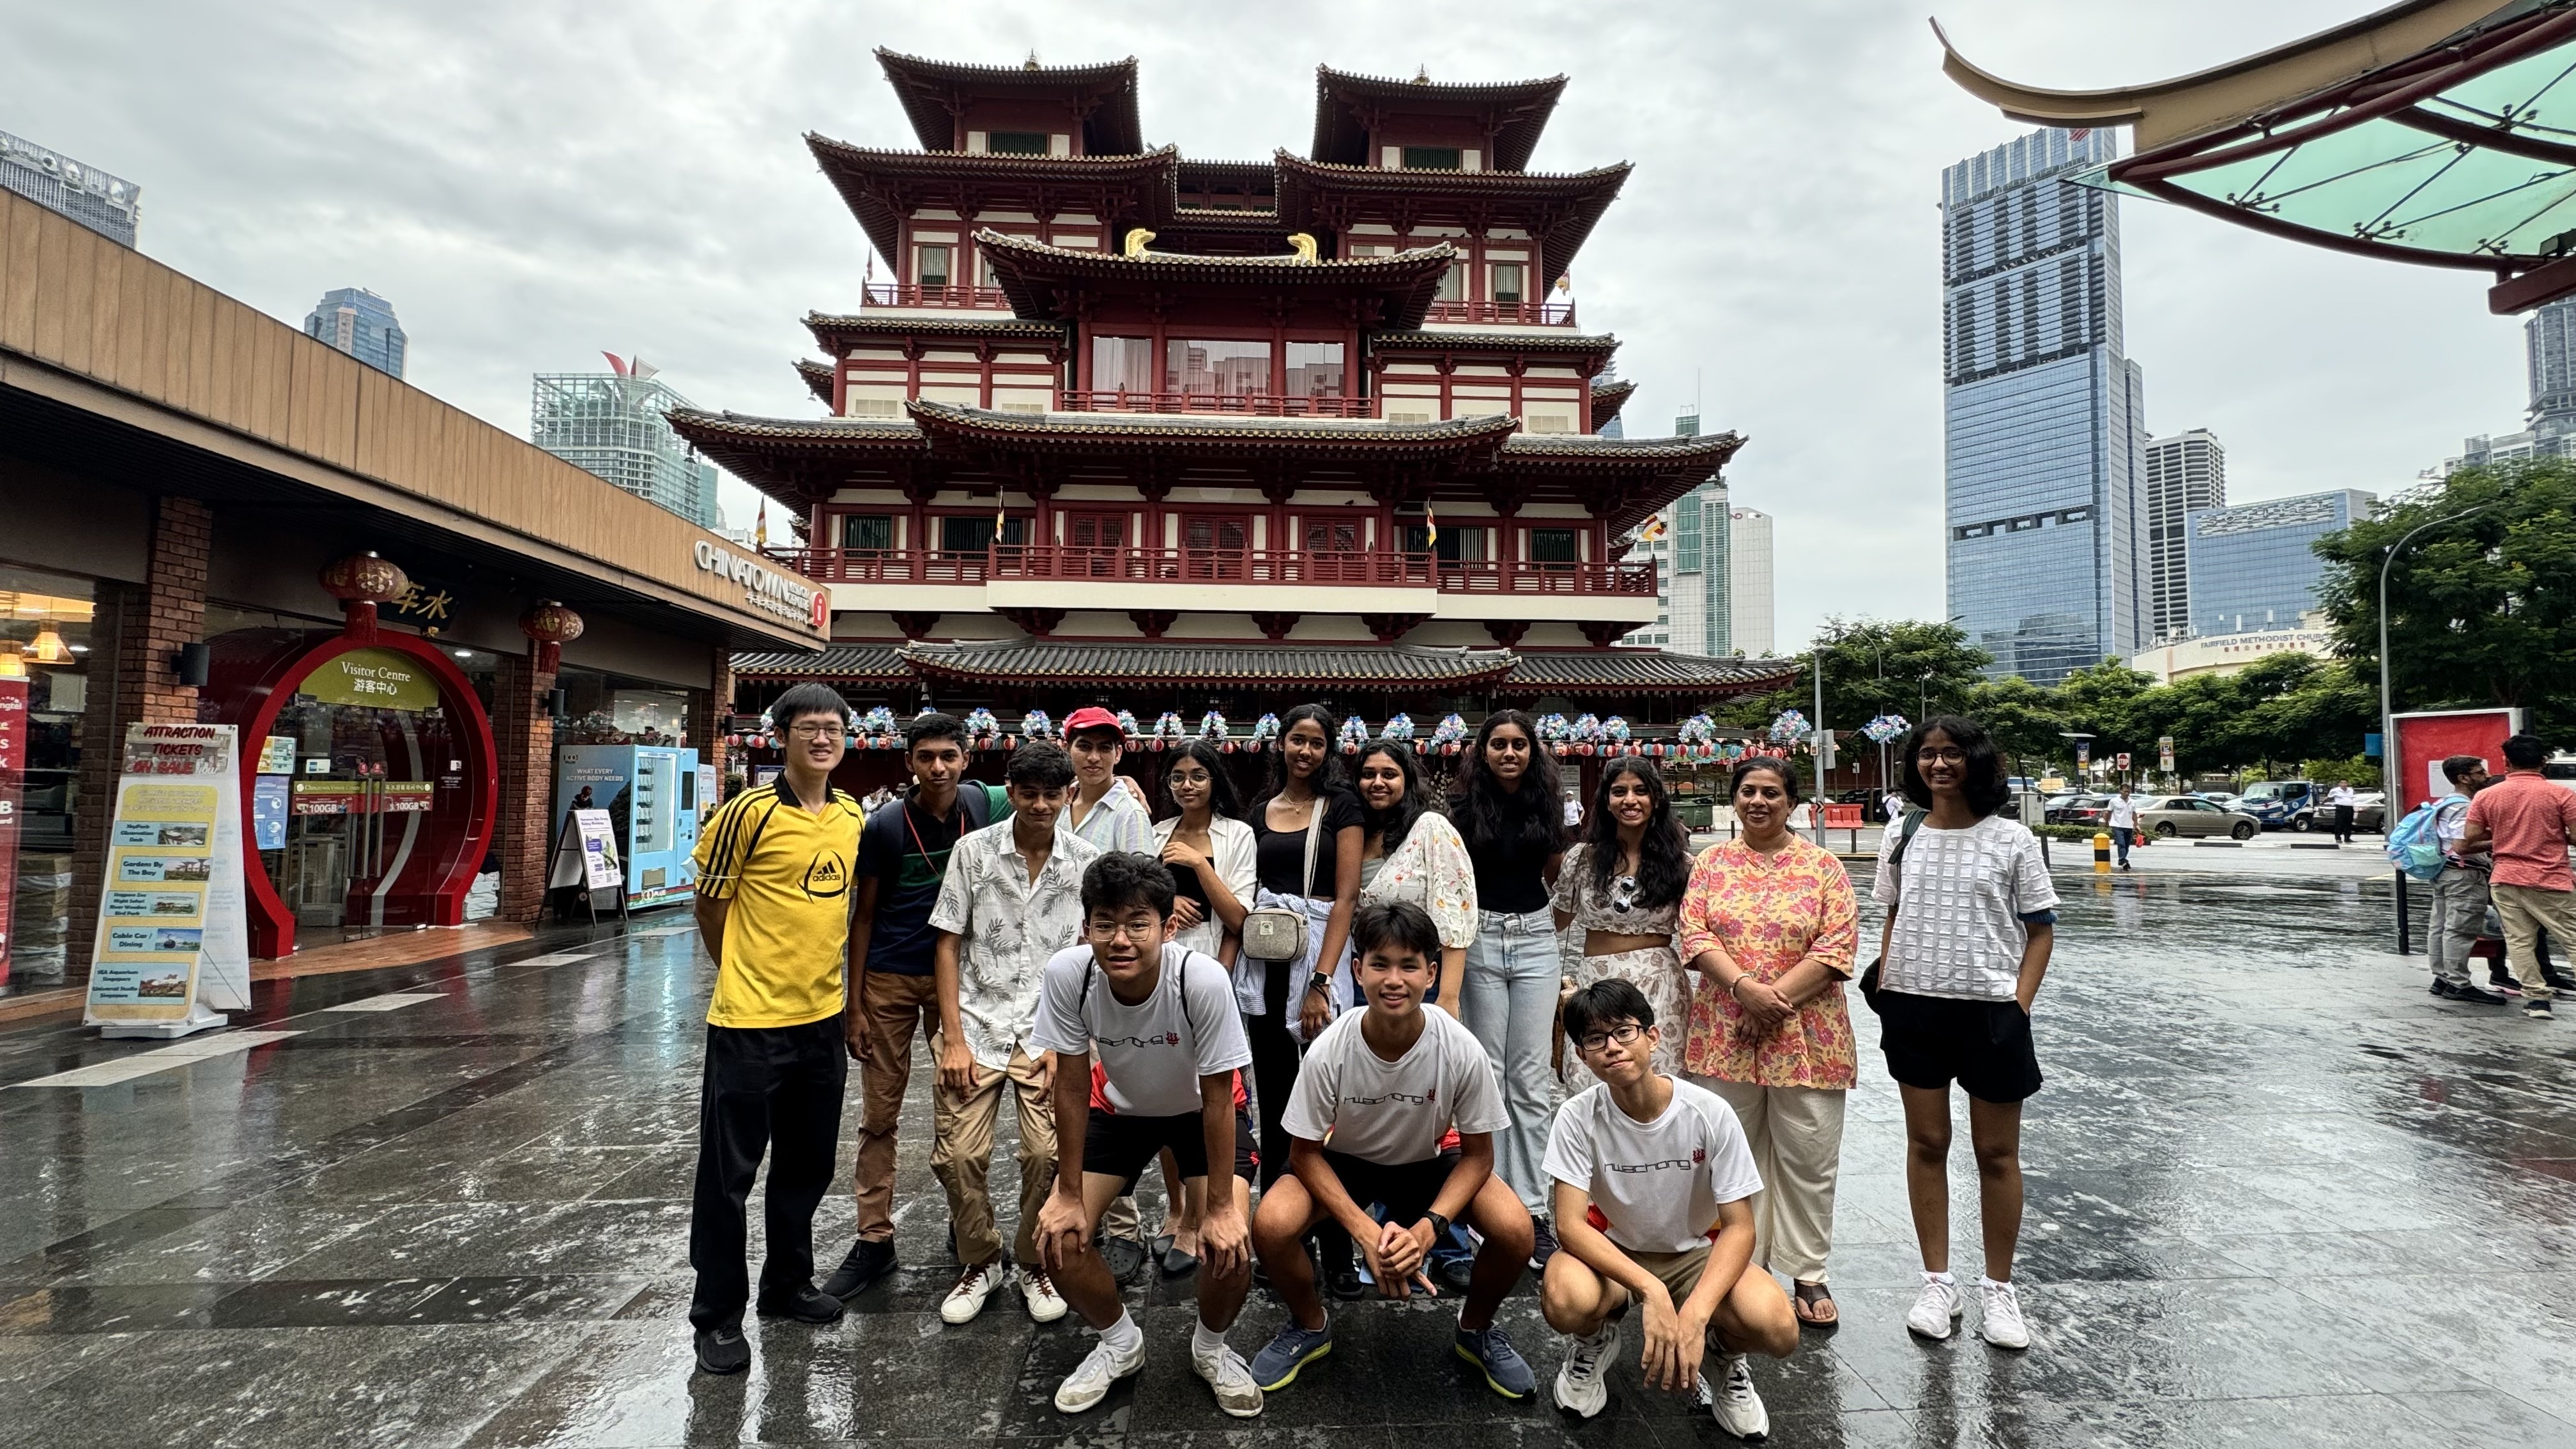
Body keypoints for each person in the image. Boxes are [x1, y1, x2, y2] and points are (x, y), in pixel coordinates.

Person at [1248, 901, 1539, 1400]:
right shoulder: (1331, 1048)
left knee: (1516, 1231)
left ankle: (1476, 1330)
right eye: (1380, 964)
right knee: (1271, 1225)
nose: (1394, 980)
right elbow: (1304, 1154)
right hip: (1347, 1161)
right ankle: (1310, 1325)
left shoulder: (1460, 1047)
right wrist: (1365, 1233)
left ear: (1432, 974)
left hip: (1428, 1162)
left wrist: (1428, 1231)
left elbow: (1479, 1157)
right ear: (1357, 971)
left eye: (1409, 966)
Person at [1029, 853, 1264, 1417]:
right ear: (1086, 927)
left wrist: (1220, 1210)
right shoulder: (1069, 973)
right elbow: (1070, 1086)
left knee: (1231, 1245)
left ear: (1168, 927)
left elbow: (1218, 1096)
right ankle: (1119, 1343)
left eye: (1138, 924)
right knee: (1058, 1240)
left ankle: (1211, 1348)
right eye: (1105, 924)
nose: (1120, 940)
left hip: (1199, 1111)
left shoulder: (1199, 979)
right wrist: (1066, 1194)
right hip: (1121, 1110)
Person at [684, 683, 864, 1376]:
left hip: (822, 1020)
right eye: (809, 728)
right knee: (728, 1175)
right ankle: (717, 1315)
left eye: (833, 729)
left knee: (807, 1165)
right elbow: (710, 906)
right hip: (750, 1024)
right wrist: (742, 975)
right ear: (781, 736)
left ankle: (787, 1283)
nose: (822, 739)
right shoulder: (747, 813)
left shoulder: (850, 814)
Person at [1872, 716, 2057, 1351]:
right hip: (1915, 1009)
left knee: (1996, 1154)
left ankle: (1999, 1289)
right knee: (1927, 1143)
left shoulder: (2012, 838)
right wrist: (1888, 986)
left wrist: (2018, 1006)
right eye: (1928, 753)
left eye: (1952, 753)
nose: (1939, 764)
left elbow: (2040, 930)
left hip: (1991, 1013)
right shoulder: (1902, 832)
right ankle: (1937, 1283)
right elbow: (1893, 913)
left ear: (1975, 760)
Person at [1542, 979, 1798, 1438]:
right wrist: (1651, 1291)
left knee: (1777, 1327)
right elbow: (1570, 1225)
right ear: (1582, 1056)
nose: (1613, 1047)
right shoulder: (1577, 1117)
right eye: (1596, 1039)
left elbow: (1740, 1227)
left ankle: (1722, 1355)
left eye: (1624, 1032)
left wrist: (1696, 1315)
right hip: (1615, 1252)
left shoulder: (1709, 1113)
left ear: (1653, 1037)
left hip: (1694, 1254)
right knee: (1565, 1298)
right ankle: (1593, 1341)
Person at [825, 712, 1009, 1303]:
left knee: (959, 1109)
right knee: (880, 1113)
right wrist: (854, 1005)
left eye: (948, 756)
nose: (937, 767)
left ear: (966, 760)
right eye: (926, 757)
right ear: (909, 762)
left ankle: (967, 1226)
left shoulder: (981, 804)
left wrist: (1120, 785)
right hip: (891, 977)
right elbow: (863, 917)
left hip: (958, 979)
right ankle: (874, 1237)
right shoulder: (884, 826)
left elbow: (1049, 790)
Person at [1681, 756, 1861, 1332]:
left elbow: (1837, 947)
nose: (1758, 802)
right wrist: (1744, 989)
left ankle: (1808, 1269)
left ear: (1792, 803)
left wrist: (1769, 1003)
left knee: (1809, 1154)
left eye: (1771, 793)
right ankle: (1742, 1266)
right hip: (1725, 1029)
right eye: (1748, 792)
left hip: (1808, 1035)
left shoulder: (1824, 867)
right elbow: (1694, 935)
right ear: (1735, 799)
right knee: (1732, 1157)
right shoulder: (1711, 864)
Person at [924, 741, 1098, 1326]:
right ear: (1012, 792)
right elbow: (948, 943)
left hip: (1049, 1031)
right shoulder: (973, 852)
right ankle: (980, 1260)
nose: (1041, 805)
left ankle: (1032, 1260)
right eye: (1030, 794)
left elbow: (1090, 959)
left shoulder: (1086, 862)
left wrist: (1069, 1044)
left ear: (1068, 794)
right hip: (976, 1023)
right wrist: (952, 1038)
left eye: (1052, 794)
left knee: (1048, 1154)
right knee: (958, 1156)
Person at [1450, 708, 1567, 1264]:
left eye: (1519, 744)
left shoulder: (1548, 803)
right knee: (1489, 1072)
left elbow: (1556, 871)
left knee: (1531, 1077)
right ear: (1483, 751)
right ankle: (1489, 1204)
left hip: (1536, 934)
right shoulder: (1461, 807)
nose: (1509, 753)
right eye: (1499, 744)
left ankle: (1533, 1207)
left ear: (1532, 750)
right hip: (1480, 935)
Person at [1059, 705, 1163, 1282]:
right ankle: (1075, 1203)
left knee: (1104, 1097)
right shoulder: (1055, 801)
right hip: (1053, 964)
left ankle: (1123, 1224)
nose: (1094, 757)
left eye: (1105, 747)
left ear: (1119, 754)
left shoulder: (1127, 812)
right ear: (1067, 749)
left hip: (1103, 964)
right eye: (1084, 746)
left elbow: (1142, 892)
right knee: (1061, 1092)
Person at [1148, 738, 1257, 1275]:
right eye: (1178, 777)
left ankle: (1198, 1216)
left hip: (1213, 971)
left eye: (1197, 775)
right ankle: (1174, 1208)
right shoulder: (1154, 835)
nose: (1187, 785)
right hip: (1159, 972)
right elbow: (1141, 906)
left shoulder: (1237, 836)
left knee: (1208, 1097)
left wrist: (1197, 864)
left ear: (1215, 780)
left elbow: (1239, 918)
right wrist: (1167, 899)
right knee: (1167, 1095)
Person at [1243, 703, 1365, 1188]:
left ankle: (1331, 1209)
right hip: (1267, 959)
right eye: (1298, 740)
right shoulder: (1261, 811)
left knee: (1328, 1085)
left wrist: (1321, 982)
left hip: (1318, 955)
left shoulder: (1341, 806)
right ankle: (1278, 1201)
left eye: (1317, 743)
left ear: (1328, 750)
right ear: (1281, 744)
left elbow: (1347, 897)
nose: (1306, 751)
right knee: (1273, 1090)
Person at [1554, 757, 1692, 1090]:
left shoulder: (1682, 865)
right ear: (1606, 801)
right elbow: (1553, 923)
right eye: (1619, 792)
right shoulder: (1583, 859)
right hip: (1597, 983)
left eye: (1640, 791)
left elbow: (1700, 932)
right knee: (1594, 1082)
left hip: (1659, 984)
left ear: (1656, 799)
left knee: (1660, 1082)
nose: (1630, 800)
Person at [1353, 739, 1476, 1009]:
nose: (1377, 782)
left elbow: (1455, 912)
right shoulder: (1352, 834)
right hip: (1362, 978)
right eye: (1368, 774)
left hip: (1420, 978)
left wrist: (1448, 997)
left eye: (1389, 775)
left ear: (1406, 781)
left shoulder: (1431, 828)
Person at [2460, 733, 2576, 1020]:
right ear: (2544, 762)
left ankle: (2537, 1000)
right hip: (2552, 878)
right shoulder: (2562, 795)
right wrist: (2556, 834)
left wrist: (2503, 834)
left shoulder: (2486, 796)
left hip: (2506, 878)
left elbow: (2471, 837)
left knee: (2520, 940)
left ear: (2507, 762)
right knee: (2572, 938)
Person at [2427, 755, 2507, 1004]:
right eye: (2480, 772)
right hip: (2464, 874)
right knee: (2460, 930)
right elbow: (2462, 846)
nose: (2487, 776)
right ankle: (2458, 983)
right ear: (2463, 778)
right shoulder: (2464, 806)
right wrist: (2502, 840)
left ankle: (2442, 978)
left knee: (2441, 927)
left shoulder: (2446, 802)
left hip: (2445, 871)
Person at [2105, 783, 2138, 870]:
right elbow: (2109, 812)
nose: (2127, 793)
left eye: (2129, 792)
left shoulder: (2133, 802)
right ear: (2120, 791)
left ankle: (2122, 860)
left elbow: (2134, 814)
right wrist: (2107, 822)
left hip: (2129, 826)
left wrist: (2137, 825)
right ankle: (2123, 860)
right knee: (2121, 843)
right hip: (2117, 825)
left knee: (2127, 845)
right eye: (2125, 791)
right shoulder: (2114, 801)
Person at [2329, 780, 2359, 845]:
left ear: (2347, 784)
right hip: (2341, 807)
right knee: (2339, 823)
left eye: (2345, 783)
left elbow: (2353, 798)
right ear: (2339, 784)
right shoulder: (2335, 790)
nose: (2344, 784)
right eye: (2342, 783)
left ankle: (2347, 838)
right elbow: (2329, 797)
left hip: (2349, 807)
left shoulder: (2351, 790)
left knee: (2349, 823)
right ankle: (2338, 838)